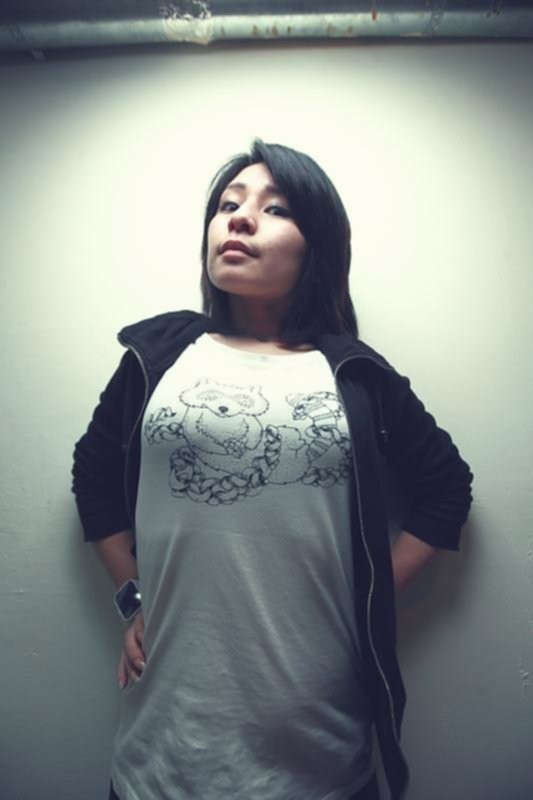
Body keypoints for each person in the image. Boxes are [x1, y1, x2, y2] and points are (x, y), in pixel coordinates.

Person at [72, 139, 473, 800]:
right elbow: (92, 478)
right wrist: (130, 597)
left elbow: (446, 489)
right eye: (227, 205)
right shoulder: (158, 355)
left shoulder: (353, 374)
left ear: (318, 246)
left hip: (318, 754)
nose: (239, 218)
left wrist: (365, 601)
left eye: (275, 208)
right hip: (161, 754)